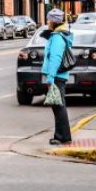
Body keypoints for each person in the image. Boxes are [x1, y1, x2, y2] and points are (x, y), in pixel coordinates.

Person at [40, 8, 73, 145]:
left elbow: (55, 58)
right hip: (58, 76)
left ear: (54, 21)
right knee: (58, 106)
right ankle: (60, 136)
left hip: (57, 76)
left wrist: (50, 77)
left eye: (49, 20)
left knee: (58, 107)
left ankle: (62, 137)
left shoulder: (58, 37)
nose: (47, 22)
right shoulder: (58, 35)